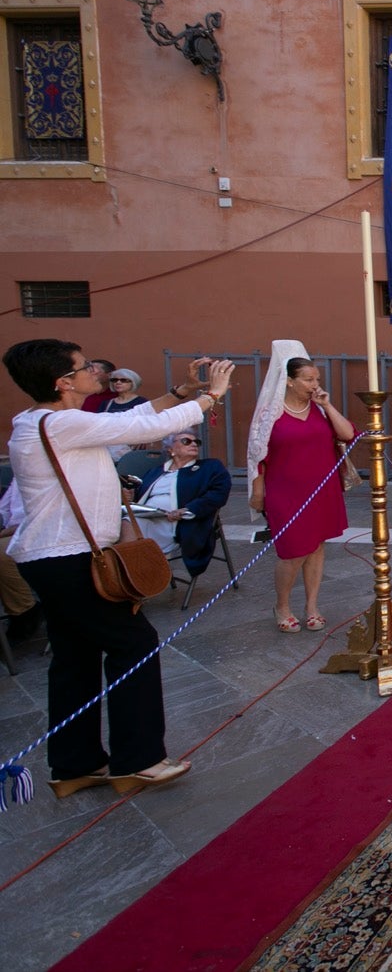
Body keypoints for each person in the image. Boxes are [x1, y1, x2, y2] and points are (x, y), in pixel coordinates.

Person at [3, 338, 233, 797]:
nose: (96, 372)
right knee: (136, 645)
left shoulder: (48, 424)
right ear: (63, 382)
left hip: (52, 559)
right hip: (67, 559)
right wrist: (212, 396)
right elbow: (141, 422)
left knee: (75, 659)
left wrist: (182, 390)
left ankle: (75, 764)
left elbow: (129, 424)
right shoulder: (60, 423)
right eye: (84, 366)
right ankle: (138, 760)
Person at [248, 342, 355, 634]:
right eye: (308, 380)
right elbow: (257, 456)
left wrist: (327, 404)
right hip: (285, 491)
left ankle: (311, 606)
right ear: (289, 381)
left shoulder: (319, 410)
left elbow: (347, 434)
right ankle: (282, 605)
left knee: (317, 546)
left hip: (322, 488)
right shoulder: (270, 414)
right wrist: (258, 493)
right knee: (293, 550)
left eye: (317, 379)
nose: (315, 384)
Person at [132, 430, 231, 577]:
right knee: (125, 524)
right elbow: (140, 495)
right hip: (146, 515)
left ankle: (134, 582)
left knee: (131, 528)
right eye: (186, 441)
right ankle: (133, 580)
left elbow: (218, 494)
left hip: (177, 523)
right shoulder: (156, 472)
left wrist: (187, 510)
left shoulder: (209, 467)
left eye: (196, 442)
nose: (193, 444)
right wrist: (131, 495)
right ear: (170, 449)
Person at [0, 477, 42, 645]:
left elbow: (45, 512)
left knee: (1, 555)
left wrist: (9, 530)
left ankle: (25, 611)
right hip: (12, 531)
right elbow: (3, 509)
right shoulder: (19, 473)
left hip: (36, 531)